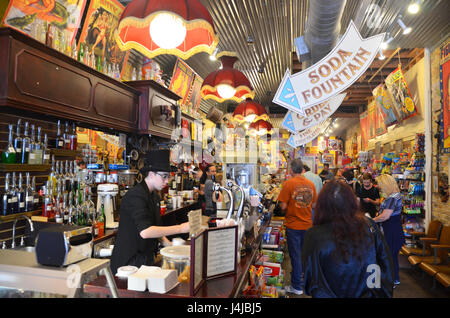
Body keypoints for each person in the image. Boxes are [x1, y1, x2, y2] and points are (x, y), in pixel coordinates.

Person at [302, 180, 395, 298]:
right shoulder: (369, 227)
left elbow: (311, 278)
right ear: (352, 202)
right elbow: (385, 263)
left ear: (322, 204)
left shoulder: (314, 235)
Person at [110, 149, 190, 274]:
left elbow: (154, 227)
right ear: (151, 174)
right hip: (128, 264)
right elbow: (146, 232)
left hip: (144, 260)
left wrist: (169, 246)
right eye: (164, 176)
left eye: (168, 177)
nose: (166, 181)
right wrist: (180, 228)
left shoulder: (154, 196)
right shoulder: (135, 195)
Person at [277, 159, 317, 295]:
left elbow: (282, 206)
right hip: (308, 225)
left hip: (293, 226)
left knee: (295, 256)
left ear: (292, 170)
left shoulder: (289, 184)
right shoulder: (311, 184)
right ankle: (306, 283)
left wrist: (290, 206)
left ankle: (297, 287)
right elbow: (315, 205)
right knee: (305, 255)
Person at [373, 174, 405, 287]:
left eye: (381, 186)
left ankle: (391, 280)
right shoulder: (396, 195)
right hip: (394, 229)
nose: (379, 188)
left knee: (390, 255)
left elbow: (385, 216)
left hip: (391, 230)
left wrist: (372, 220)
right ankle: (394, 278)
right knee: (392, 255)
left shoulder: (392, 198)